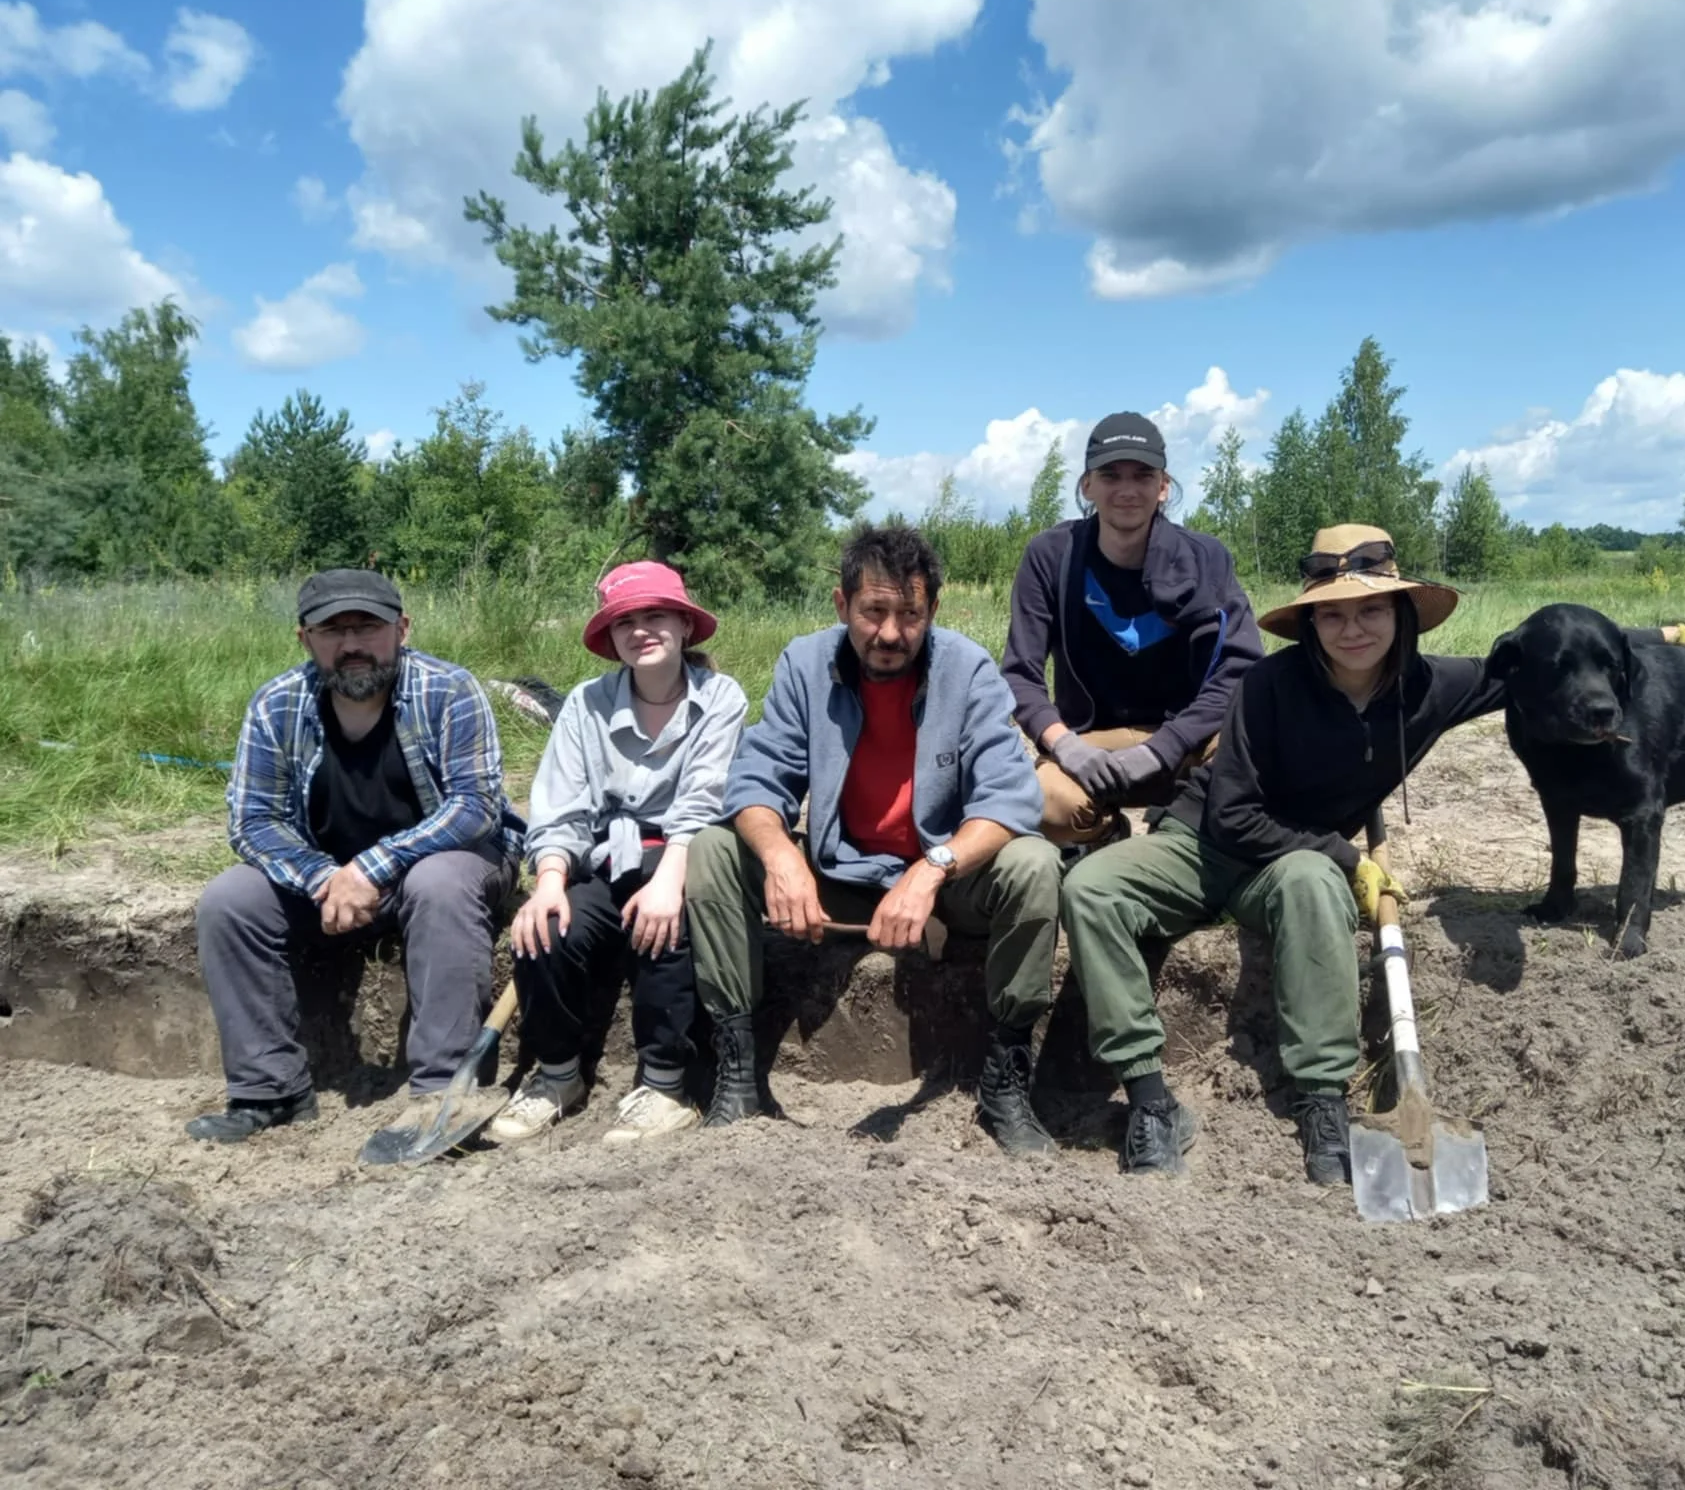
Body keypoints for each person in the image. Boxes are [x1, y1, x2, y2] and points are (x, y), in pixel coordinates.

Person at [1060, 524, 1685, 1182]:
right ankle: (1151, 1099)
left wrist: (1674, 633)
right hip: (1205, 843)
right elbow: (1235, 813)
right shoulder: (1267, 686)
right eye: (1333, 614)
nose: (1352, 628)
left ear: (1402, 615)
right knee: (1092, 886)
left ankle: (1322, 1099)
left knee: (1308, 881)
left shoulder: (1436, 688)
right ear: (1310, 623)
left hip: (1292, 869)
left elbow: (1544, 653)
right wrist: (1351, 858)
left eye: (1371, 610)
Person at [686, 526, 1062, 1155]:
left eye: (910, 614)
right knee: (714, 849)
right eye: (874, 612)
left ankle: (1005, 1075)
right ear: (842, 606)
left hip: (942, 884)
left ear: (932, 612)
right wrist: (782, 857)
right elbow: (755, 779)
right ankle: (738, 1067)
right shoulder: (805, 664)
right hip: (839, 869)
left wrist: (932, 868)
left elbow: (1012, 799)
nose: (890, 633)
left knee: (1035, 862)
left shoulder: (968, 670)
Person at [188, 569, 522, 1153]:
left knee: (437, 882)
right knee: (229, 900)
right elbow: (253, 823)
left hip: (451, 862)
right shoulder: (277, 705)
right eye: (331, 630)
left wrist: (373, 866)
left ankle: (443, 1093)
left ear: (401, 628)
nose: (350, 645)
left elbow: (475, 809)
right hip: (331, 879)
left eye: (366, 626)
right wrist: (325, 876)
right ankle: (270, 1092)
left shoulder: (449, 690)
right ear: (304, 639)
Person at [486, 562, 747, 1146]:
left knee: (666, 925)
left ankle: (666, 1085)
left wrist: (668, 882)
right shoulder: (584, 703)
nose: (640, 630)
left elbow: (704, 800)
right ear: (611, 638)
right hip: (605, 855)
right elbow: (561, 806)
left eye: (655, 615)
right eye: (624, 621)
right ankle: (556, 1076)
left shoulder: (720, 697)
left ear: (684, 624)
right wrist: (550, 881)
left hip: (684, 851)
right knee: (544, 930)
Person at [1002, 411, 1261, 851]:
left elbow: (1238, 671)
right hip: (1090, 740)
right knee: (1042, 803)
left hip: (1186, 738)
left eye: (1143, 475)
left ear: (1163, 486)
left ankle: (1178, 834)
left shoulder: (1206, 558)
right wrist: (1065, 746)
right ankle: (1105, 837)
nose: (1126, 490)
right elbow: (1019, 674)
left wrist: (1163, 747)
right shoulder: (1050, 557)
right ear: (1087, 485)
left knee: (1255, 761)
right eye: (1110, 474)